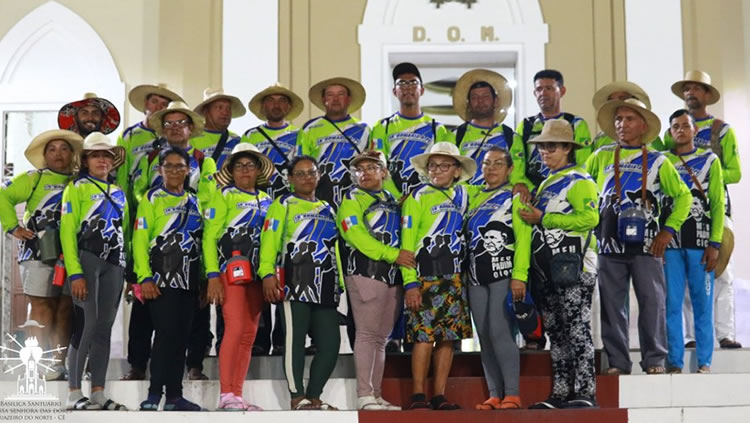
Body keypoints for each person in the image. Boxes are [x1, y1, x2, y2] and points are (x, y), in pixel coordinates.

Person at [585, 98, 691, 375]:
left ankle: (655, 360)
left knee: (652, 302)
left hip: (647, 245)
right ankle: (618, 362)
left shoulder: (658, 160)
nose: (622, 124)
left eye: (629, 119)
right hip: (609, 242)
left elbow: (683, 196)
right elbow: (584, 189)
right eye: (618, 119)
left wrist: (668, 231)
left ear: (643, 126)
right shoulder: (601, 156)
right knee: (611, 305)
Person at [655, 71, 742, 349]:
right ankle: (692, 336)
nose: (691, 93)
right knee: (689, 273)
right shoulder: (675, 128)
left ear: (707, 94)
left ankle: (725, 333)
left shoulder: (721, 130)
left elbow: (736, 172)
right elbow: (665, 161)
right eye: (686, 89)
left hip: (715, 207)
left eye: (696, 89)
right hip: (680, 212)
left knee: (723, 272)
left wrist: (706, 172)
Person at [132, 100, 217, 381]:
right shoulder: (149, 157)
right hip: (155, 241)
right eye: (169, 123)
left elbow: (209, 199)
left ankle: (194, 363)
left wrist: (186, 205)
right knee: (145, 307)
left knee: (196, 305)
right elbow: (138, 192)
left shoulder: (205, 160)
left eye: (181, 123)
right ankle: (138, 365)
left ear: (191, 128)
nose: (175, 128)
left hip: (192, 241)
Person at [517, 121, 599, 409]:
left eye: (551, 146)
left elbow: (590, 220)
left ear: (568, 149)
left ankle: (586, 391)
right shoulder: (546, 183)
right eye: (541, 146)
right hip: (549, 268)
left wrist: (544, 218)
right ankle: (562, 391)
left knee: (577, 328)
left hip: (576, 265)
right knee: (555, 332)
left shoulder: (580, 180)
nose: (544, 152)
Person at [510, 69, 591, 349]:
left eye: (549, 88)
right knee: (536, 272)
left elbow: (583, 167)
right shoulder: (526, 125)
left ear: (561, 91)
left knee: (574, 322)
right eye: (539, 89)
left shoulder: (575, 124)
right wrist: (522, 184)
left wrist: (550, 210)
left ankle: (582, 386)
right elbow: (517, 162)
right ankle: (535, 335)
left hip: (566, 221)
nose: (543, 93)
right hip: (535, 197)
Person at [258, 155, 342, 410]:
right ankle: (297, 396)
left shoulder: (329, 208)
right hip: (293, 283)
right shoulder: (282, 203)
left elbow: (335, 248)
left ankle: (315, 396)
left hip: (326, 285)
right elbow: (269, 240)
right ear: (291, 178)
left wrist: (341, 284)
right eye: (301, 173)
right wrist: (267, 274)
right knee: (295, 342)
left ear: (318, 176)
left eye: (311, 172)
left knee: (330, 344)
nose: (307, 177)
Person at [0, 129, 83, 380]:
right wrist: (12, 227)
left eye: (64, 148)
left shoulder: (80, 181)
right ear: (45, 155)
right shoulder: (33, 178)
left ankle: (58, 365)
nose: (58, 154)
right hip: (38, 252)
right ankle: (36, 363)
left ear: (72, 154)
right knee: (40, 306)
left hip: (72, 254)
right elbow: (3, 194)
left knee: (66, 308)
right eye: (52, 149)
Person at [401, 142, 475, 410]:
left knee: (448, 337)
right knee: (423, 336)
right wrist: (409, 283)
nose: (438, 170)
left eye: (445, 165)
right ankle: (418, 394)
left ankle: (439, 393)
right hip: (423, 277)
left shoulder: (466, 195)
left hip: (454, 276)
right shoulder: (417, 197)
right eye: (433, 165)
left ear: (457, 170)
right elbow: (406, 242)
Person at [119, 83, 184, 381]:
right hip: (144, 227)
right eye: (155, 102)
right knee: (143, 305)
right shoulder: (134, 139)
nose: (159, 106)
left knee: (179, 307)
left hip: (180, 238)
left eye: (165, 104)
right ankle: (137, 364)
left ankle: (176, 365)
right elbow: (127, 184)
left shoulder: (188, 150)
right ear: (147, 105)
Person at [60, 132, 128, 410]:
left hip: (115, 263)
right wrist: (74, 272)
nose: (103, 159)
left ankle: (98, 391)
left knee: (104, 328)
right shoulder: (76, 188)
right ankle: (74, 392)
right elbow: (67, 231)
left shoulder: (120, 193)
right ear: (86, 159)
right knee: (85, 325)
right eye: (96, 155)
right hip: (87, 259)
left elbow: (125, 231)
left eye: (107, 155)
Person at [203, 143, 274, 410]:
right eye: (239, 166)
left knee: (249, 333)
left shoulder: (267, 200)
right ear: (231, 171)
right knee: (233, 328)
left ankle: (237, 394)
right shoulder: (224, 196)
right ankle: (225, 394)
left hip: (257, 274)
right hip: (229, 271)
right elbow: (209, 236)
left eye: (250, 165)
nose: (245, 170)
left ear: (258, 170)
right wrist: (212, 275)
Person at [336, 150, 409, 410]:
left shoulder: (390, 197)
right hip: (365, 271)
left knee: (382, 338)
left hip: (391, 273)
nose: (364, 173)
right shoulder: (352, 198)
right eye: (359, 169)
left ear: (383, 172)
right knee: (367, 335)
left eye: (371, 168)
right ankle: (364, 394)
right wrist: (392, 255)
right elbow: (354, 235)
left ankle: (375, 394)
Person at [133, 147, 204, 412]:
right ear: (160, 170)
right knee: (164, 336)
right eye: (169, 166)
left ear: (188, 170)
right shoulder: (152, 198)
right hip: (161, 279)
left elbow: (202, 241)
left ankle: (175, 395)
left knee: (181, 338)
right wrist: (144, 277)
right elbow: (139, 241)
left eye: (180, 166)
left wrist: (206, 279)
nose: (175, 171)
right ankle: (154, 394)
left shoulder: (196, 201)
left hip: (190, 280)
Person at [465, 146, 530, 410]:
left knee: (499, 330)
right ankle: (494, 393)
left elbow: (524, 239)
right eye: (486, 164)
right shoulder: (472, 195)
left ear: (510, 168)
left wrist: (520, 276)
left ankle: (512, 394)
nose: (491, 169)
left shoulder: (515, 196)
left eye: (498, 164)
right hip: (475, 275)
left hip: (504, 274)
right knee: (483, 335)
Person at [242, 84, 304, 355]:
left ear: (288, 107)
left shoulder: (299, 135)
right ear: (263, 107)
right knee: (258, 274)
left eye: (281, 101)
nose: (276, 105)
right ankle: (259, 337)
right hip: (255, 213)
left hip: (289, 213)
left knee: (287, 273)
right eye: (271, 101)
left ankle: (284, 338)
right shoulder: (250, 136)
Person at [663, 109, 724, 374]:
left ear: (694, 130)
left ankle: (705, 362)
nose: (680, 130)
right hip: (672, 243)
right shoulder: (662, 161)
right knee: (672, 303)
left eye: (685, 125)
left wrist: (716, 243)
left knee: (702, 303)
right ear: (670, 132)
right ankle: (674, 361)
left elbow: (718, 204)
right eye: (675, 126)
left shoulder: (710, 160)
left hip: (701, 242)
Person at [370, 62, 452, 198]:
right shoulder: (383, 126)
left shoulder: (437, 128)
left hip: (426, 199)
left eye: (413, 82)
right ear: (394, 91)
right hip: (391, 200)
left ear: (422, 90)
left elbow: (443, 169)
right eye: (402, 83)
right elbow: (378, 165)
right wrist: (396, 196)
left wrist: (421, 197)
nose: (408, 87)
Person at [298, 77, 369, 209]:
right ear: (324, 100)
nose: (335, 99)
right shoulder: (309, 128)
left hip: (356, 199)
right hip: (318, 200)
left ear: (349, 99)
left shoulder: (363, 129)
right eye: (330, 95)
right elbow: (299, 167)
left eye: (341, 94)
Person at [452, 69, 516, 185]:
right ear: (469, 104)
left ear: (495, 101)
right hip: (463, 200)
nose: (480, 101)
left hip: (498, 199)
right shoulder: (455, 136)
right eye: (474, 98)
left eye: (485, 96)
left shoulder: (511, 137)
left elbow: (518, 175)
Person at [191, 88, 246, 169]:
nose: (225, 112)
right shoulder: (192, 138)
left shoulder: (236, 140)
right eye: (219, 107)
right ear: (206, 111)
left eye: (228, 108)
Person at [590, 81, 653, 150]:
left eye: (622, 98)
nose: (616, 102)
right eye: (611, 100)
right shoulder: (600, 138)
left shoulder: (651, 135)